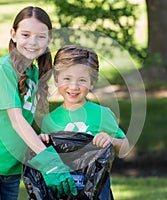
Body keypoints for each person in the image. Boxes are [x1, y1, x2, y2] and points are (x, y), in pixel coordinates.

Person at [0, 6, 77, 200]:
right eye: (26, 34)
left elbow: (28, 118)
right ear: (13, 34)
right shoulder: (4, 69)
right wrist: (49, 162)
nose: (33, 42)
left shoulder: (33, 72)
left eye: (41, 36)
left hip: (13, 165)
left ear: (49, 40)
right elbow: (16, 120)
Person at [40, 45, 130, 199]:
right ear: (56, 79)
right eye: (67, 79)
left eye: (82, 80)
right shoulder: (50, 120)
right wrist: (42, 141)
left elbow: (125, 148)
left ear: (92, 82)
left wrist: (111, 140)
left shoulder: (102, 114)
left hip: (95, 192)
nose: (73, 87)